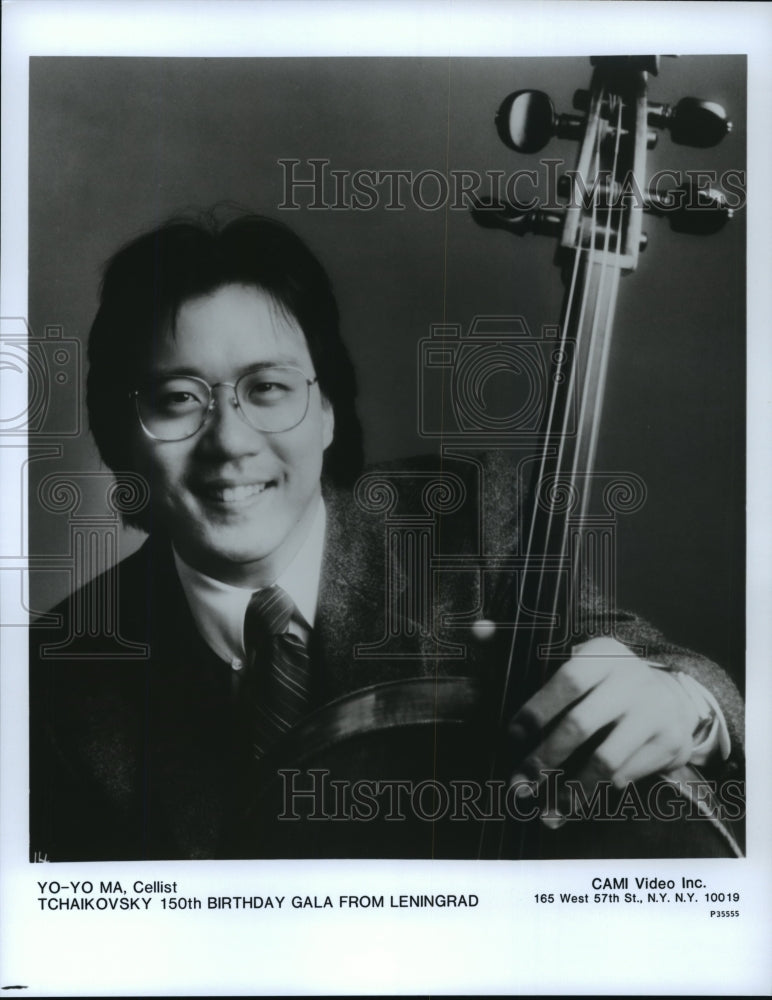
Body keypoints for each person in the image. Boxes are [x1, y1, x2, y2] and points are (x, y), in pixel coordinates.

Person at [29, 213, 745, 861]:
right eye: (179, 399)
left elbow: (679, 674)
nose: (230, 442)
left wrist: (686, 709)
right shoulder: (59, 671)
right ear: (125, 436)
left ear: (329, 411)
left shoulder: (464, 523)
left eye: (269, 388)